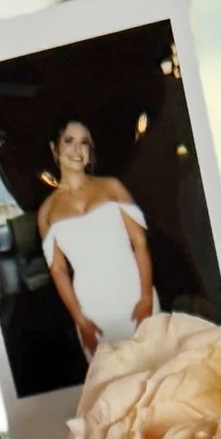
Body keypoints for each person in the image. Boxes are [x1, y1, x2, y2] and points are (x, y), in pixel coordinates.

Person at [36, 120, 155, 357]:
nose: (77, 150)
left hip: (134, 294)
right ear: (54, 149)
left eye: (84, 143)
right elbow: (58, 270)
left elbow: (139, 243)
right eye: (69, 141)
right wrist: (81, 320)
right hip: (93, 309)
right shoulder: (46, 212)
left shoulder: (112, 187)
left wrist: (146, 297)